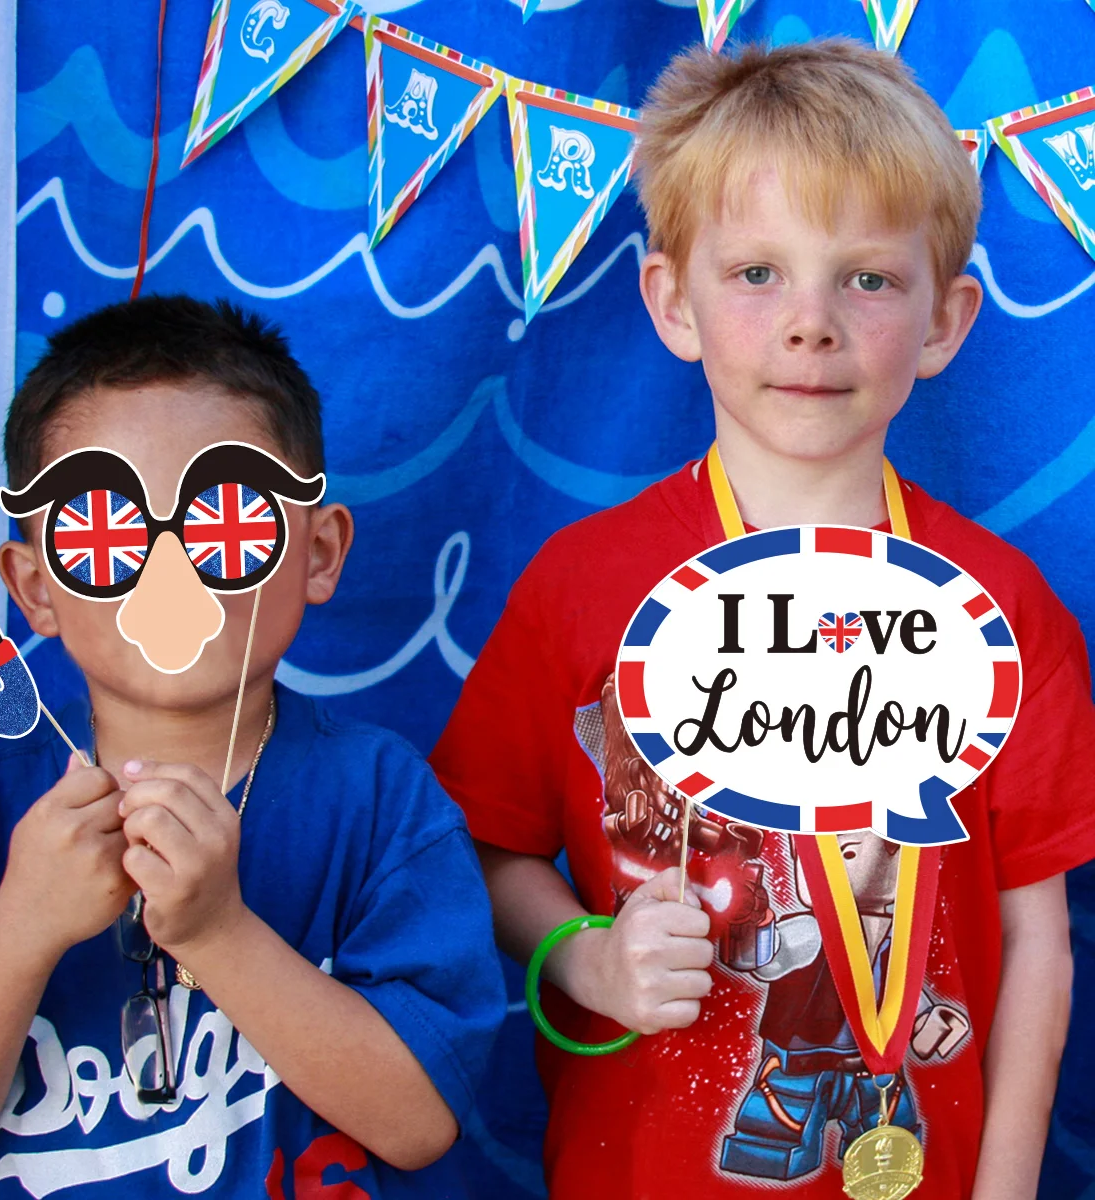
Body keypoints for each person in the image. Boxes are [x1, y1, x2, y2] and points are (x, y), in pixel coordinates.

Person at [430, 39, 1095, 1199]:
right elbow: (481, 847)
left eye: (868, 279)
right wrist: (586, 959)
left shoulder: (1004, 607)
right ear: (671, 301)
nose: (812, 322)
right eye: (757, 274)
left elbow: (1040, 938)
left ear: (944, 322)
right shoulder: (580, 585)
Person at [0, 296, 505, 1198]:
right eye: (104, 532)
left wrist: (219, 934)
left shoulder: (381, 799)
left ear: (318, 553)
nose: (168, 567)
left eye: (229, 521)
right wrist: (22, 926)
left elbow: (419, 1123)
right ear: (35, 588)